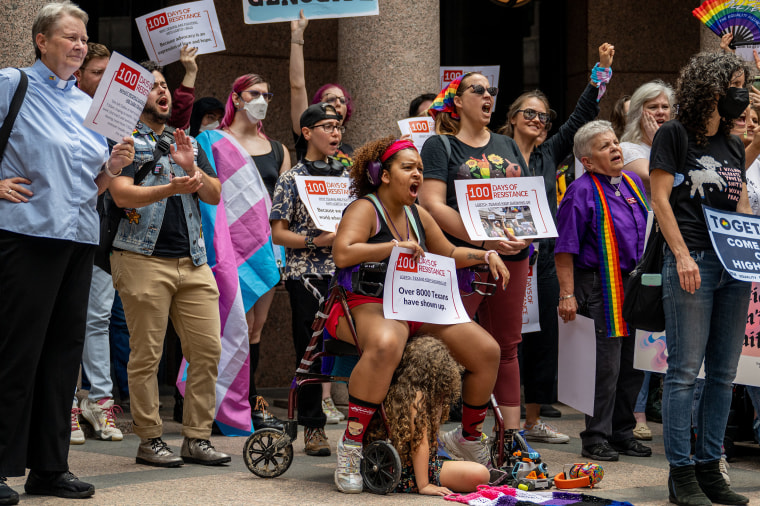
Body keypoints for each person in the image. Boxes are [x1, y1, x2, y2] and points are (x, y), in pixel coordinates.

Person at [0, 2, 135, 502]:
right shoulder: (12, 84)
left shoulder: (87, 105)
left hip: (78, 238)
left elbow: (93, 186)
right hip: (24, 235)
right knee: (16, 352)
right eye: (70, 37)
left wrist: (114, 165)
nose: (79, 46)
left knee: (62, 356)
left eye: (84, 39)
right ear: (41, 40)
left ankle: (50, 467)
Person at [330, 136, 506, 493]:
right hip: (364, 303)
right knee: (386, 341)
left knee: (487, 350)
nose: (417, 175)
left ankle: (469, 437)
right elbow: (342, 254)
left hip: (413, 303)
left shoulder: (417, 213)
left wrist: (484, 256)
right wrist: (391, 247)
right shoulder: (365, 208)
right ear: (383, 174)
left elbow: (449, 252)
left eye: (420, 169)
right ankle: (350, 444)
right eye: (408, 167)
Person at [108, 61, 230, 468]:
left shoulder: (188, 141)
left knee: (208, 350)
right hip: (141, 259)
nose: (162, 92)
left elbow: (213, 195)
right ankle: (150, 438)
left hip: (194, 262)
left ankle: (196, 437)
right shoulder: (123, 140)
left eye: (164, 86)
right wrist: (171, 186)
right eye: (153, 87)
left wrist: (191, 168)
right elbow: (122, 195)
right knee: (147, 355)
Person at [498, 43, 615, 443]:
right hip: (505, 257)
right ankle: (499, 420)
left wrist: (601, 71)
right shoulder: (494, 154)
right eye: (528, 113)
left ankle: (532, 422)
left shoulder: (550, 152)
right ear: (512, 118)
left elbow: (584, 115)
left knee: (545, 340)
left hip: (544, 260)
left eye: (542, 116)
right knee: (505, 339)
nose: (537, 119)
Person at [649, 51, 752, 506]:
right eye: (734, 84)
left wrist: (750, 254)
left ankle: (711, 468)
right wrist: (681, 256)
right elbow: (661, 200)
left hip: (733, 266)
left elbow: (741, 202)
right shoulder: (673, 135)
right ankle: (682, 473)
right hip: (692, 259)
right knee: (685, 372)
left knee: (724, 374)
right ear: (711, 89)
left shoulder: (732, 142)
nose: (741, 94)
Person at [418, 72, 531, 449]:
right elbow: (431, 204)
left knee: (508, 344)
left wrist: (524, 234)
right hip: (463, 259)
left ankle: (509, 439)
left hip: (513, 258)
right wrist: (485, 241)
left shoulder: (507, 144)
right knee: (448, 343)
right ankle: (427, 437)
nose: (488, 96)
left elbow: (525, 201)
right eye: (478, 90)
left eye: (491, 90)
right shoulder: (440, 145)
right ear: (458, 101)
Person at [555, 120, 652, 463]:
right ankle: (595, 436)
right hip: (598, 284)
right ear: (588, 161)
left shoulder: (630, 182)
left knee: (633, 364)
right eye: (604, 146)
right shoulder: (580, 191)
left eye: (615, 142)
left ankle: (623, 433)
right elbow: (564, 249)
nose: (615, 149)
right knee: (605, 366)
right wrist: (567, 294)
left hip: (634, 285)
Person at [196, 73, 289, 432]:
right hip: (225, 247)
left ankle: (250, 401)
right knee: (228, 325)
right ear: (236, 98)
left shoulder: (278, 149)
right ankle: (218, 405)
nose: (262, 99)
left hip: (266, 247)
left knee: (255, 328)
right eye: (255, 93)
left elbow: (282, 202)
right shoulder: (213, 140)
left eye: (266, 94)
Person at [270, 102, 348, 457]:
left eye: (339, 127)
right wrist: (316, 240)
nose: (336, 133)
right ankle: (313, 428)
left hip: (346, 273)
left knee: (351, 349)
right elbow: (278, 234)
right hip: (306, 275)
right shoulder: (292, 178)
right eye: (328, 126)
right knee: (310, 352)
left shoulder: (348, 177)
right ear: (307, 132)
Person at [69, 41, 124, 446]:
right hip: (60, 233)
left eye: (110, 74)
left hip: (103, 235)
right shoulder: (63, 114)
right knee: (65, 319)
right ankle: (66, 402)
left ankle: (99, 401)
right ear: (78, 75)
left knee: (97, 320)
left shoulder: (117, 123)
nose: (104, 81)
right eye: (96, 73)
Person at [364, 336, 490, 495]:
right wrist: (424, 485)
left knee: (479, 473)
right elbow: (420, 442)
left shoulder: (413, 391)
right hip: (402, 470)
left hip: (407, 463)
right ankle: (421, 482)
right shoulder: (417, 397)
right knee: (480, 474)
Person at [290, 9, 354, 164]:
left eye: (342, 100)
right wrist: (297, 36)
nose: (338, 103)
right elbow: (297, 86)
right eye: (331, 99)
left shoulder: (350, 151)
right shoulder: (309, 134)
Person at [620, 80, 675, 198]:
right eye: (653, 107)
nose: (660, 112)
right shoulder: (627, 148)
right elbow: (653, 181)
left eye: (665, 107)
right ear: (638, 114)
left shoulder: (677, 145)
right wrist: (659, 142)